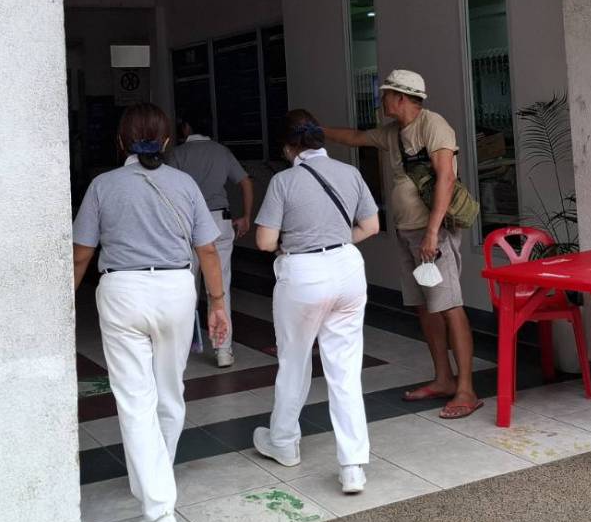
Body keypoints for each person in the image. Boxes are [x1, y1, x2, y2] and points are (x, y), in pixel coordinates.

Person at [71, 103, 229, 522]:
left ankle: (157, 508)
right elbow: (209, 252)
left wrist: (64, 307)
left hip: (122, 292)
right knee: (170, 392)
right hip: (177, 289)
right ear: (166, 142)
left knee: (135, 400)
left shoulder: (103, 185)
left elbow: (82, 253)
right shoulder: (185, 184)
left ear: (120, 142)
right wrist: (217, 304)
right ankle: (154, 480)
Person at [324, 69, 481, 420]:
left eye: (386, 95)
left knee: (449, 305)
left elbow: (446, 178)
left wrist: (431, 233)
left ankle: (466, 389)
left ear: (402, 97)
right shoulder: (393, 133)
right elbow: (353, 138)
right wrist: (317, 132)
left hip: (432, 234)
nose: (381, 101)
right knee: (423, 307)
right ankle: (443, 378)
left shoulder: (433, 125)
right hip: (406, 233)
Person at [252, 110, 380, 494]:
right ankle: (353, 466)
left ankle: (285, 443)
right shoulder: (350, 174)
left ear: (288, 146)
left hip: (302, 274)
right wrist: (335, 242)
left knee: (294, 360)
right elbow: (371, 227)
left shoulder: (282, 181)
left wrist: (302, 245)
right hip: (347, 268)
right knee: (345, 369)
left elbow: (263, 242)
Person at [168, 118, 254, 367]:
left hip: (188, 223)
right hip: (219, 222)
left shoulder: (177, 154)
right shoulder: (221, 151)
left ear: (185, 128)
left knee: (187, 285)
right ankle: (223, 350)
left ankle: (182, 349)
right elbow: (245, 181)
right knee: (220, 285)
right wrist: (247, 216)